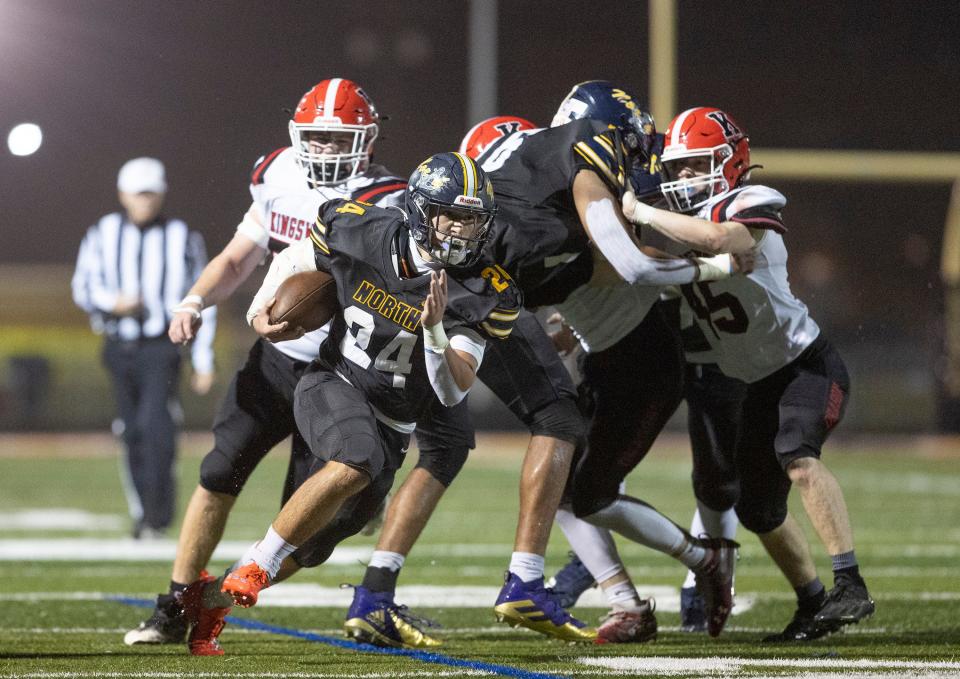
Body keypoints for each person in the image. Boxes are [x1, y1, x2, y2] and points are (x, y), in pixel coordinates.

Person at [122, 78, 417, 652]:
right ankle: (176, 603)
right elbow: (239, 255)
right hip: (274, 359)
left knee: (308, 536)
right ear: (296, 135)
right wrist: (193, 301)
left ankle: (213, 601)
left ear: (368, 139)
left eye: (339, 139)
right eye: (318, 138)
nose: (327, 150)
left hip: (338, 373)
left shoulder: (390, 200)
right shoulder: (277, 174)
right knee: (217, 474)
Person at [220, 153, 530, 631]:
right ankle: (257, 564)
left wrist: (433, 332)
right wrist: (259, 310)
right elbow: (298, 257)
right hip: (334, 381)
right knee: (356, 458)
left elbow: (451, 391)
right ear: (422, 210)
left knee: (322, 540)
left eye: (473, 221)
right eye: (453, 216)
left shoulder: (485, 290)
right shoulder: (360, 229)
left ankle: (207, 605)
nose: (462, 231)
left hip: (397, 422)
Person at [620, 105, 875, 641]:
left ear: (731, 161)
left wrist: (641, 214)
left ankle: (849, 582)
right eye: (680, 168)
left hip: (807, 366)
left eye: (697, 166)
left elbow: (724, 241)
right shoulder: (678, 227)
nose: (685, 178)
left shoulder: (750, 201)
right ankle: (812, 604)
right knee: (758, 509)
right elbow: (636, 267)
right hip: (757, 382)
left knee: (798, 459)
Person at [72, 157, 216, 541]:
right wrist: (112, 301)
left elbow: (203, 297)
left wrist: (203, 359)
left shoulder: (182, 236)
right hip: (119, 346)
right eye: (138, 194)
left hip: (161, 347)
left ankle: (157, 513)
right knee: (131, 431)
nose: (145, 201)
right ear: (123, 195)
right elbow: (82, 287)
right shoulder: (102, 233)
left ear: (162, 193)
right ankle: (144, 513)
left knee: (157, 427)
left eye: (151, 193)